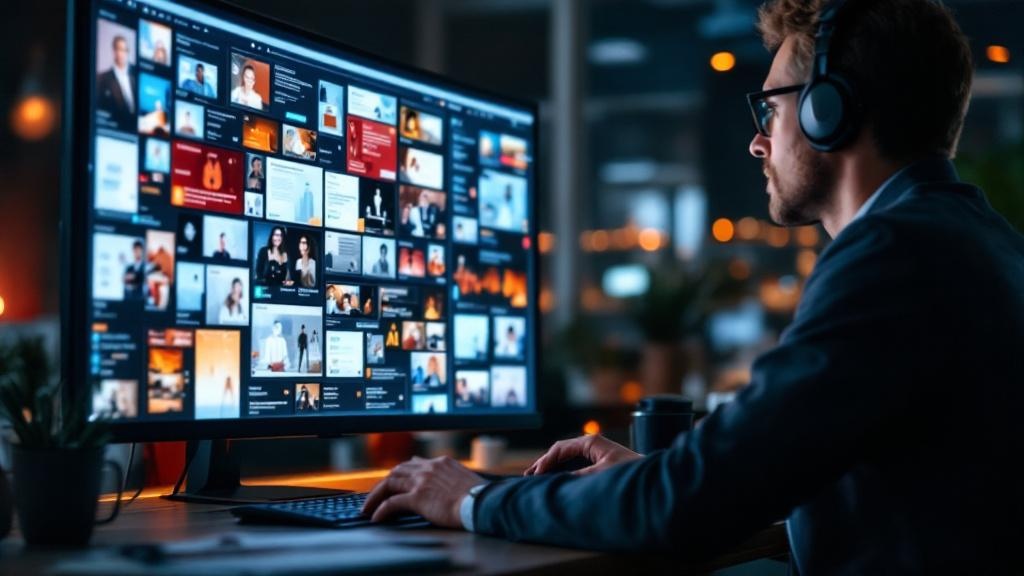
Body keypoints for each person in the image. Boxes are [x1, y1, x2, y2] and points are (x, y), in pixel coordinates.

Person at [361, 1, 1024, 573]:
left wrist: (472, 499)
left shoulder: (892, 255)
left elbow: (690, 505)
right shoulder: (978, 242)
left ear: (832, 110)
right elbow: (782, 462)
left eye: (771, 108)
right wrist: (652, 477)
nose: (758, 144)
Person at [97, 34, 135, 129]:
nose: (122, 53)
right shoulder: (102, 79)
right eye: (119, 49)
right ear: (114, 51)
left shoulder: (136, 77)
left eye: (125, 50)